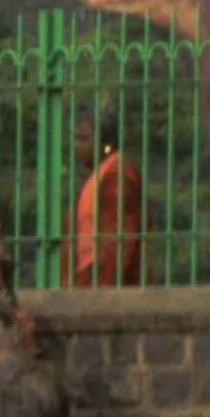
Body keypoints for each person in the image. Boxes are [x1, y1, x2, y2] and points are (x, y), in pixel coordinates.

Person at [67, 115, 146, 288]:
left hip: (104, 283)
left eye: (84, 139)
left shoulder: (118, 174)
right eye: (75, 139)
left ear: (107, 142)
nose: (76, 146)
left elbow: (119, 240)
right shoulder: (100, 174)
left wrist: (104, 286)